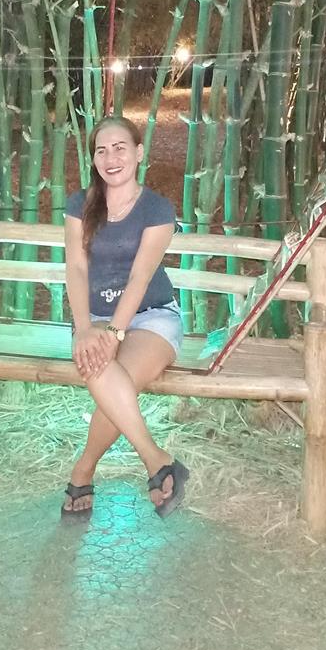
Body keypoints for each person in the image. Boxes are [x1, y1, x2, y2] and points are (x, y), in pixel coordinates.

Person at [62, 115, 189, 521]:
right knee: (101, 368)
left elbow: (140, 276)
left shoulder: (156, 208)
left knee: (114, 379)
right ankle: (157, 460)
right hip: (94, 318)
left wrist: (115, 334)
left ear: (138, 152)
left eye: (120, 148)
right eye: (101, 150)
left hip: (153, 316)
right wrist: (85, 329)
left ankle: (84, 470)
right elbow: (76, 268)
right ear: (93, 160)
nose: (111, 158)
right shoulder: (80, 205)